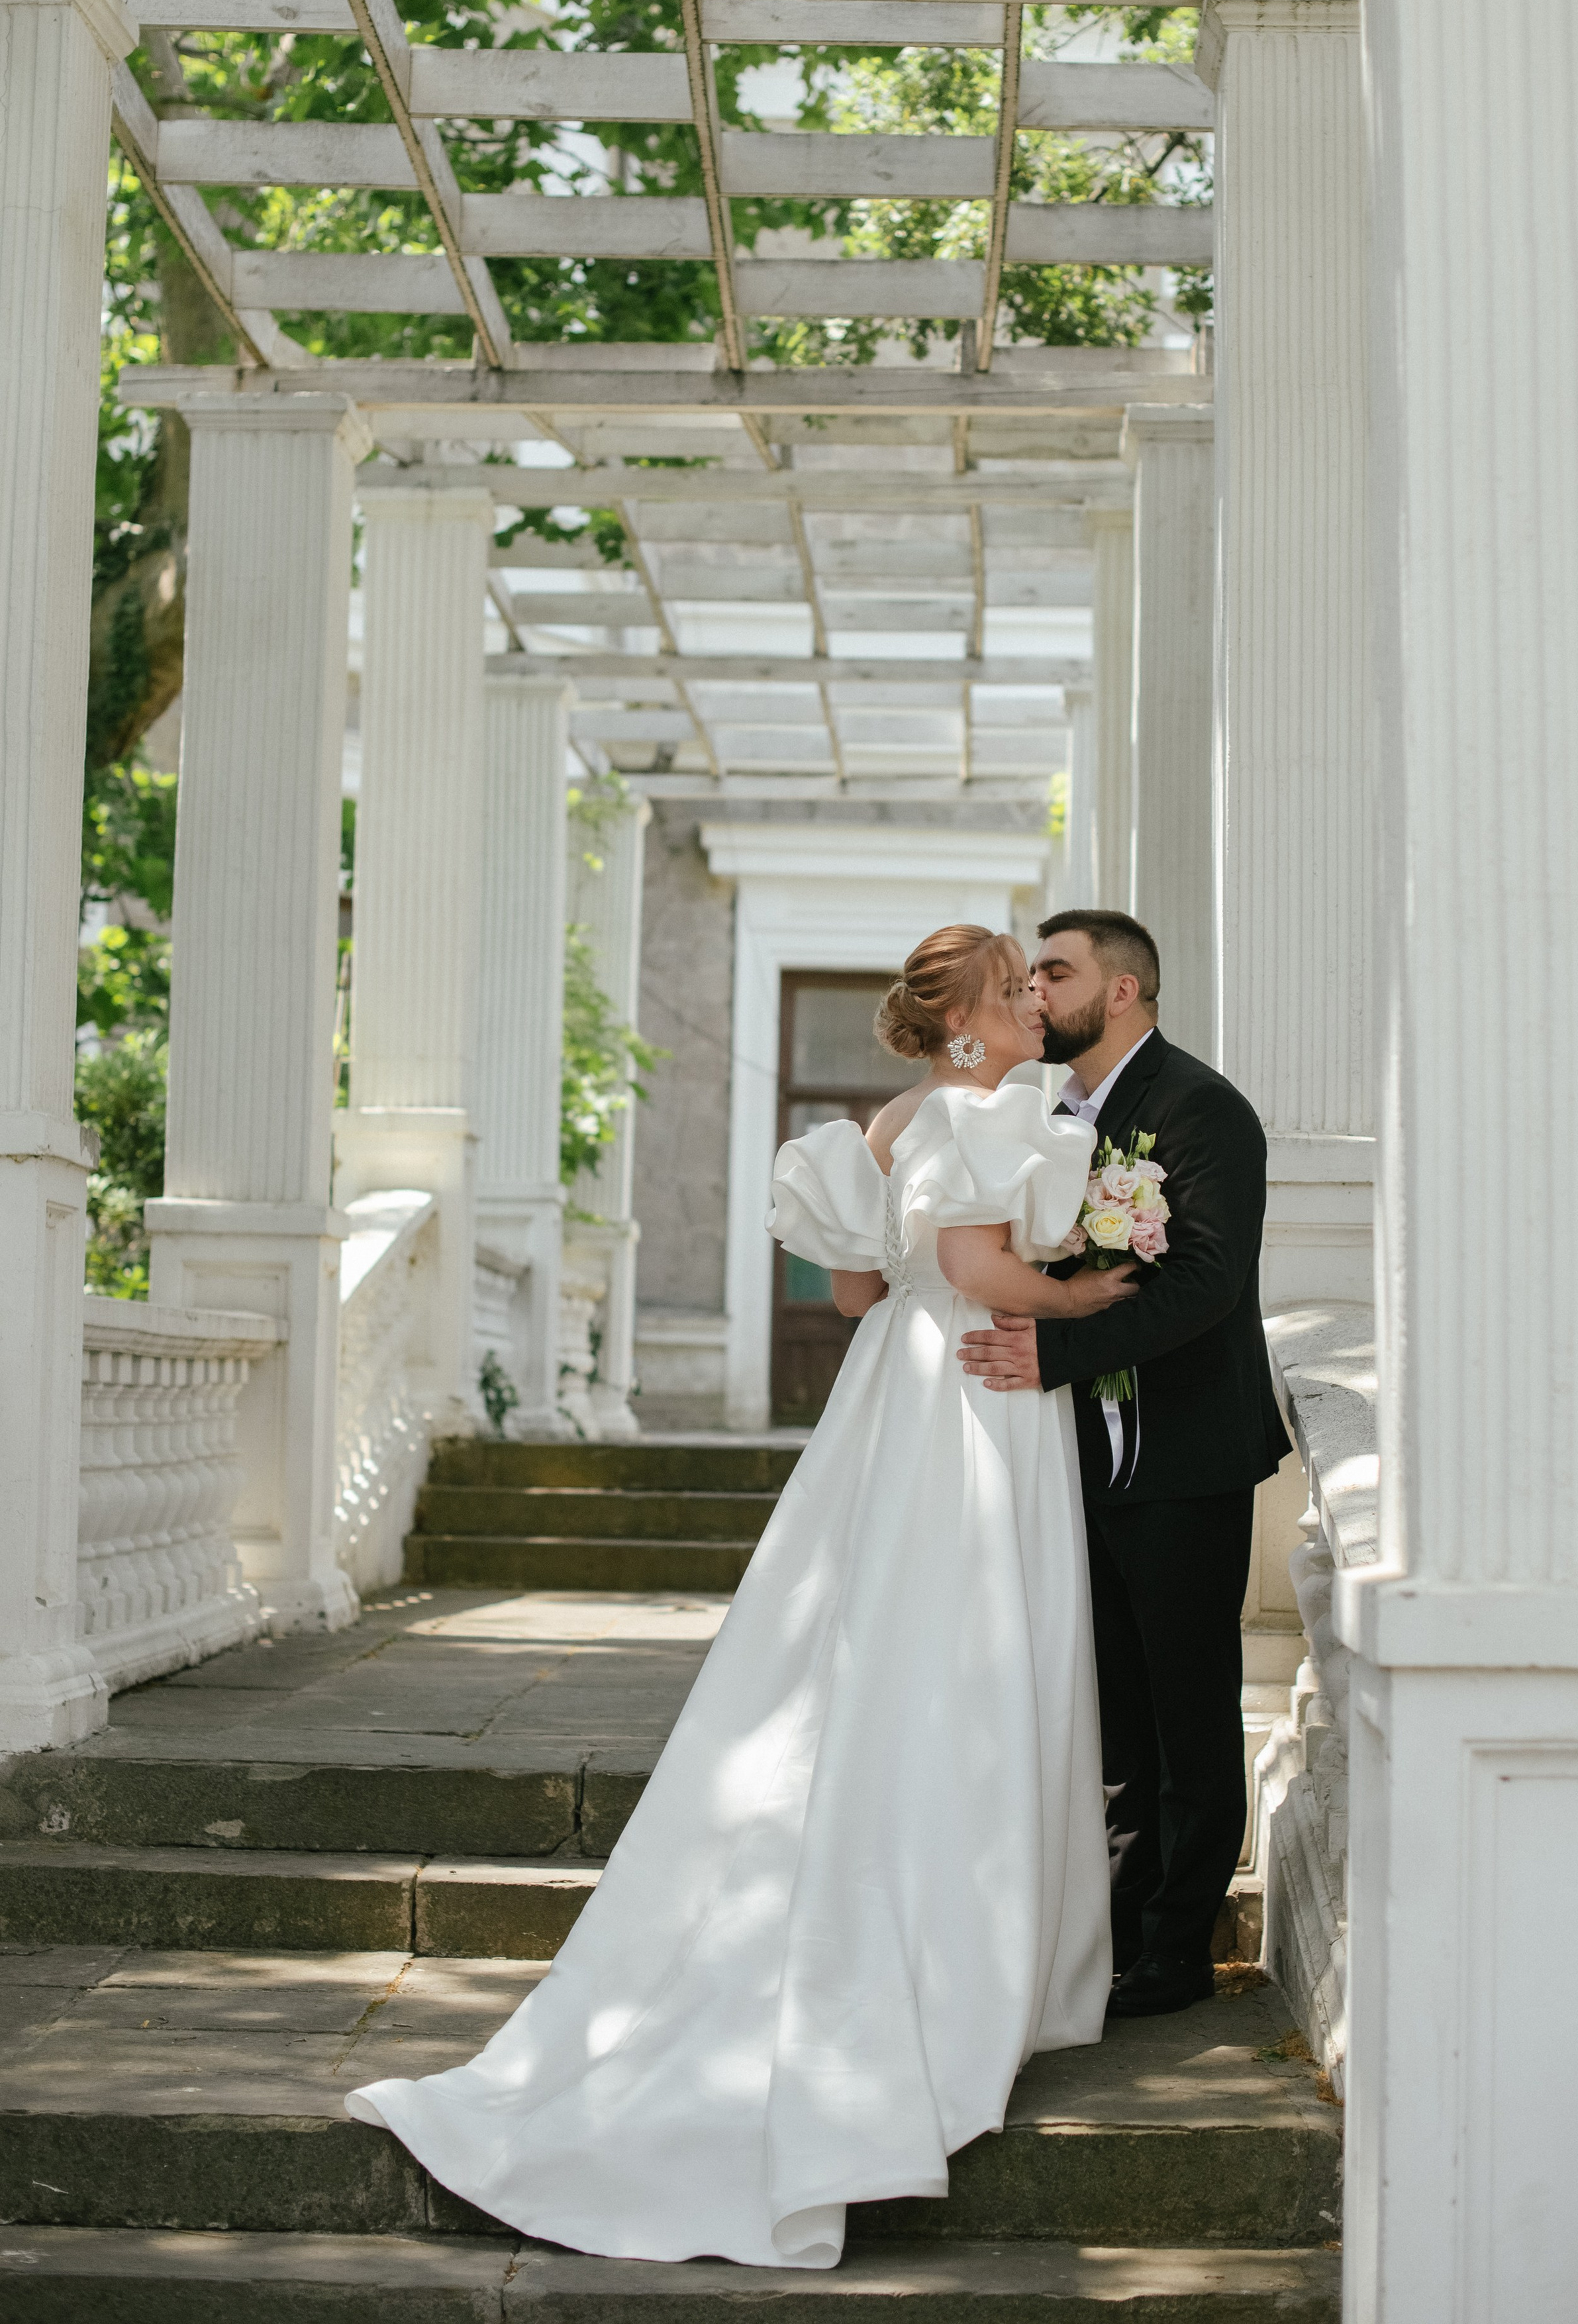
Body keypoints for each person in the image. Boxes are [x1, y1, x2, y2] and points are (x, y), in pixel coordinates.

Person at [345, 924, 1138, 2269]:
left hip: (890, 1387)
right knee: (968, 1646)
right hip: (969, 1393)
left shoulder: (881, 1124)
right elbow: (975, 1271)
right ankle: (961, 1943)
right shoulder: (970, 1111)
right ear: (961, 1029)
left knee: (869, 1635)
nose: (1027, 1009)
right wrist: (1091, 1287)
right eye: (1010, 993)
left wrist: (957, 1275)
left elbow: (849, 1285)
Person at [958, 910, 1289, 2021]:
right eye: (1031, 976)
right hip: (1075, 1461)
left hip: (1185, 1452)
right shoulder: (1050, 1110)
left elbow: (1204, 1284)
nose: (1037, 992)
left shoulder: (1202, 1109)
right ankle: (1116, 1920)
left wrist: (1055, 1348)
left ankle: (1177, 1947)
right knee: (1114, 1708)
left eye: (1057, 972)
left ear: (1127, 992)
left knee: (1190, 1706)